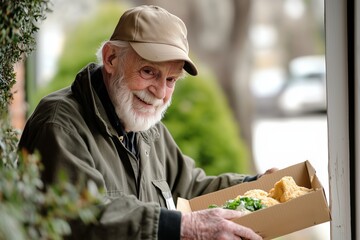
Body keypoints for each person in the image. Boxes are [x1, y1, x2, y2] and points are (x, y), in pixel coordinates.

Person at [19, 5, 275, 240]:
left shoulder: (146, 129)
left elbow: (190, 188)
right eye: (148, 72)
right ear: (111, 58)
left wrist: (257, 186)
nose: (160, 92)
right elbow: (81, 216)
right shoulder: (59, 124)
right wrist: (183, 227)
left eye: (171, 80)